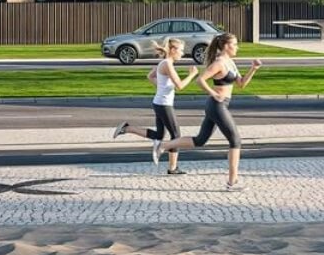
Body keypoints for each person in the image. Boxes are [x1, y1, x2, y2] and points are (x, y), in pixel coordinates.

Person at [156, 32, 259, 191]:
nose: (237, 47)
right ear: (226, 46)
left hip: (220, 105)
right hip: (217, 105)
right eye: (235, 44)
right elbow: (200, 79)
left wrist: (253, 68)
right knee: (235, 140)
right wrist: (213, 93)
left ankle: (164, 145)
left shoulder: (230, 62)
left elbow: (241, 84)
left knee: (200, 140)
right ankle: (232, 183)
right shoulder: (219, 63)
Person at [111, 38, 197, 174]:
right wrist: (192, 75)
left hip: (159, 102)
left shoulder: (163, 63)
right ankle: (172, 168)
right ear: (173, 50)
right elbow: (180, 86)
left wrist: (162, 87)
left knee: (159, 134)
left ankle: (127, 128)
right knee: (176, 135)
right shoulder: (167, 64)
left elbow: (150, 76)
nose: (182, 53)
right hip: (164, 104)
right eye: (180, 50)